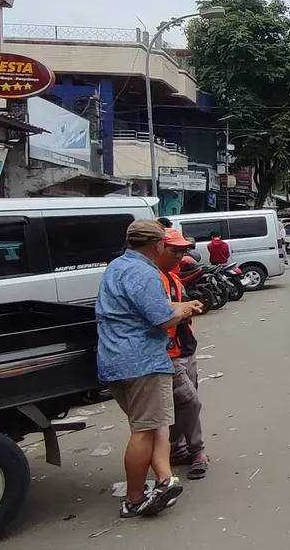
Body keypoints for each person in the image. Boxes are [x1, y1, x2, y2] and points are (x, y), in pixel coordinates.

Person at [97, 219, 202, 518]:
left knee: (156, 424)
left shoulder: (117, 266)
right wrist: (185, 308)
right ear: (157, 245)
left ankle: (165, 480)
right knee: (144, 430)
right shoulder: (144, 272)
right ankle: (133, 499)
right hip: (141, 361)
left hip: (117, 358)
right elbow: (162, 318)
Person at [157, 228, 209, 480]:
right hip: (169, 354)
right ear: (157, 248)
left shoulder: (173, 279)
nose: (180, 255)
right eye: (174, 249)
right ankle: (194, 449)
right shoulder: (150, 280)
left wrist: (191, 307)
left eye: (183, 250)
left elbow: (183, 305)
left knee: (187, 402)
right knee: (190, 401)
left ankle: (181, 449)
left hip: (186, 347)